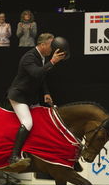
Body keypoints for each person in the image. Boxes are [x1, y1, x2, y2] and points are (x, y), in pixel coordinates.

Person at [7, 33, 66, 168]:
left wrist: (46, 93)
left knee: (41, 120)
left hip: (29, 96)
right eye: (51, 46)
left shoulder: (42, 57)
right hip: (19, 96)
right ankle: (14, 156)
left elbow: (41, 77)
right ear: (42, 45)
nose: (53, 49)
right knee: (27, 123)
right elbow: (36, 73)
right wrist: (53, 62)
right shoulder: (29, 57)